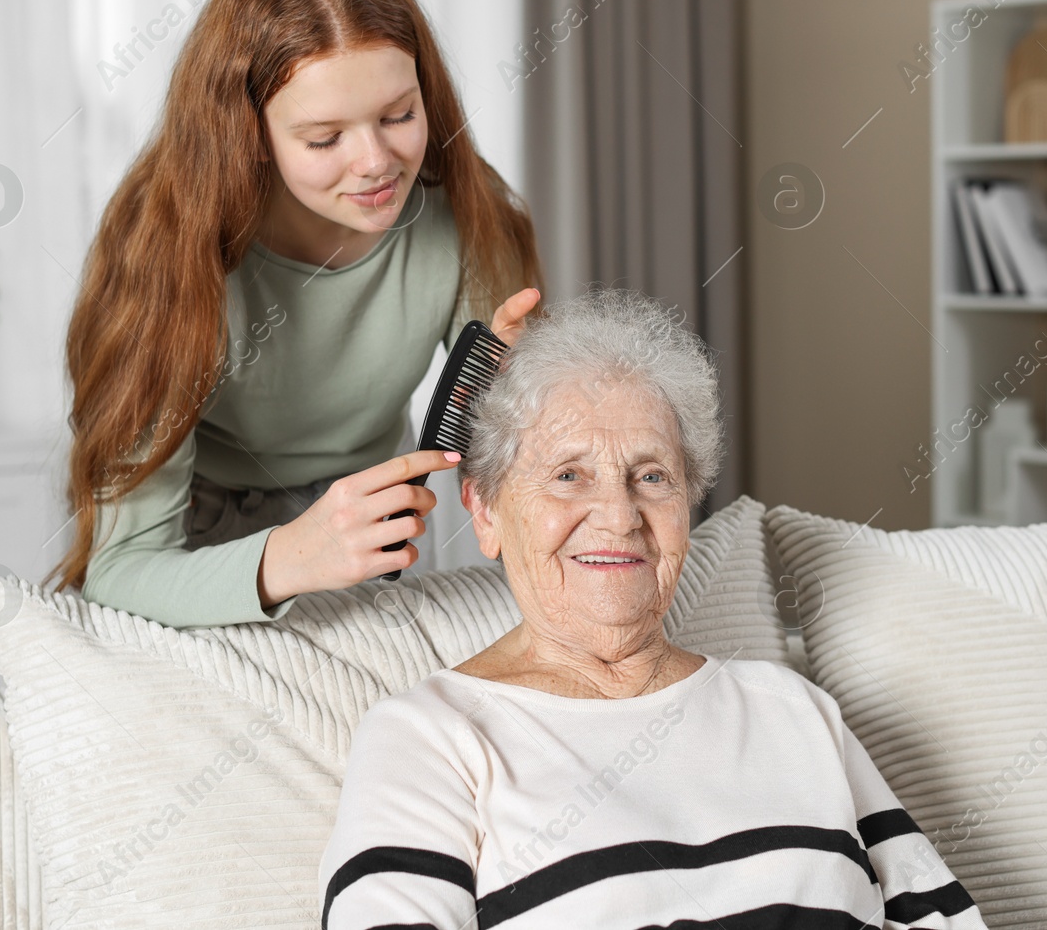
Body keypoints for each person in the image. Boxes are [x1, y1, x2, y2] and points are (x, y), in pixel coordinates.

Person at [317, 290, 987, 929]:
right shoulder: (432, 738)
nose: (619, 515)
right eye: (569, 474)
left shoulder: (792, 710)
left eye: (652, 476)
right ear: (485, 511)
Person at [50, 0, 543, 628]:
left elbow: (515, 462)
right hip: (195, 563)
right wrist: (292, 555)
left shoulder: (464, 213)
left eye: (399, 115)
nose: (376, 161)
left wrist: (529, 397)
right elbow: (120, 571)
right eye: (324, 139)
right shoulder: (164, 252)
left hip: (375, 538)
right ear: (247, 134)